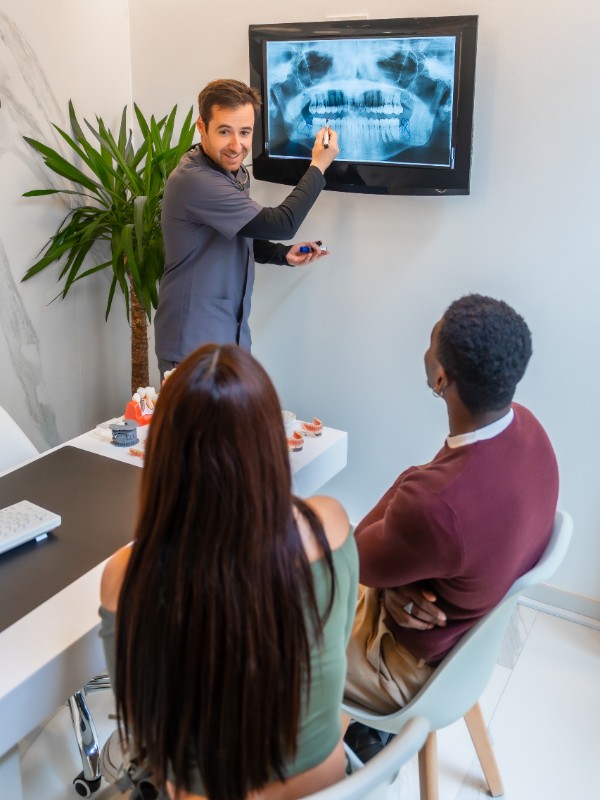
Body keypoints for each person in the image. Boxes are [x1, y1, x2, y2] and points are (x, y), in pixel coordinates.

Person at [99, 344, 358, 800]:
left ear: (161, 453)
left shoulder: (128, 576)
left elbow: (146, 730)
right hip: (330, 785)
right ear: (268, 443)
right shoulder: (331, 527)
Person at [344, 294, 559, 728]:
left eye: (431, 340)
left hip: (403, 669)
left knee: (256, 625)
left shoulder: (436, 504)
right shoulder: (528, 428)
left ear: (441, 378)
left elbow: (354, 560)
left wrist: (412, 477)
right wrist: (397, 587)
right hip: (463, 646)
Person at [155, 79, 339, 378]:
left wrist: (282, 254)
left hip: (229, 336)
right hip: (192, 343)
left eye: (245, 132)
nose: (236, 145)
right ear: (202, 127)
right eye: (224, 131)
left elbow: (239, 232)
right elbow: (282, 223)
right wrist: (318, 165)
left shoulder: (232, 172)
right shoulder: (196, 180)